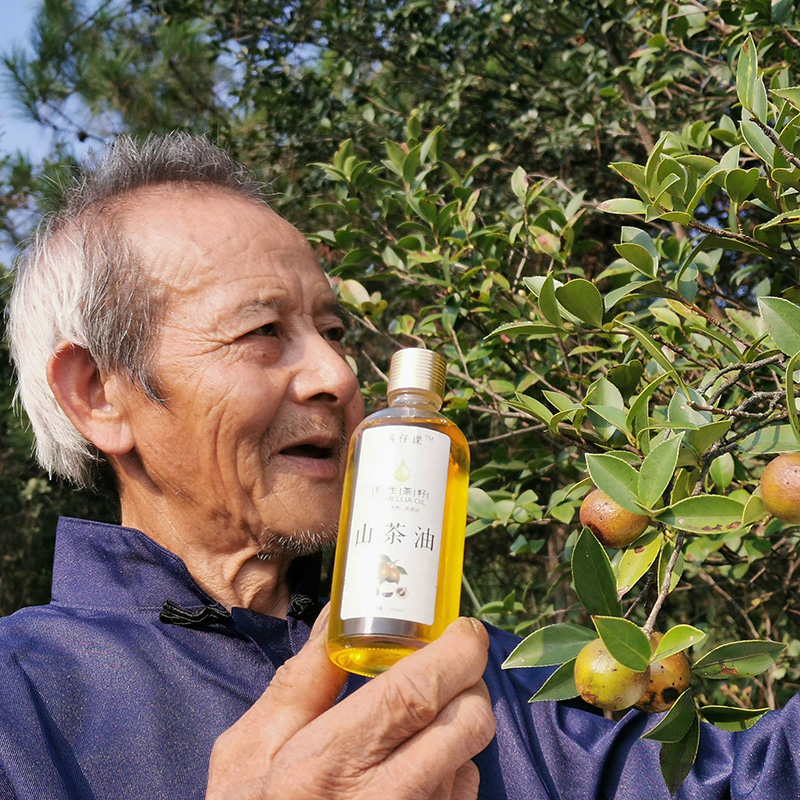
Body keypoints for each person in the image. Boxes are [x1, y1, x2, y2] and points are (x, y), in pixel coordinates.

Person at [0, 133, 798, 800]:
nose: (339, 376)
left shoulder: (503, 681)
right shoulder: (23, 702)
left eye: (331, 328)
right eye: (262, 332)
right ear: (98, 393)